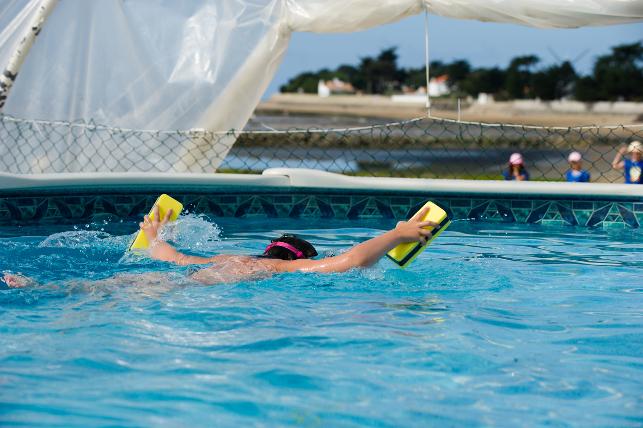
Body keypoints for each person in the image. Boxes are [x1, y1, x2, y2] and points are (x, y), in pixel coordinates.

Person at [2, 205, 439, 287]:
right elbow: (350, 261)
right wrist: (397, 236)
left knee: (120, 286)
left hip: (187, 277)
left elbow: (169, 256)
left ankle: (40, 289)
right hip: (201, 290)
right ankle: (40, 291)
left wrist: (153, 234)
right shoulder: (279, 272)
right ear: (299, 259)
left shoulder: (230, 257)